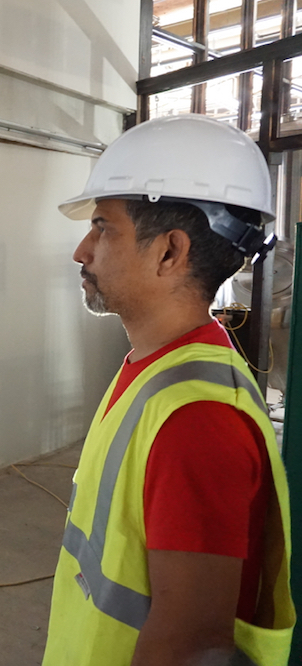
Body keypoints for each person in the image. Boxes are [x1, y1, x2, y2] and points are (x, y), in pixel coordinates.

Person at [43, 114, 294, 666]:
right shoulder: (155, 367)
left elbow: (191, 648)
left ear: (170, 252)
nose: (81, 250)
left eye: (103, 226)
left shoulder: (198, 420)